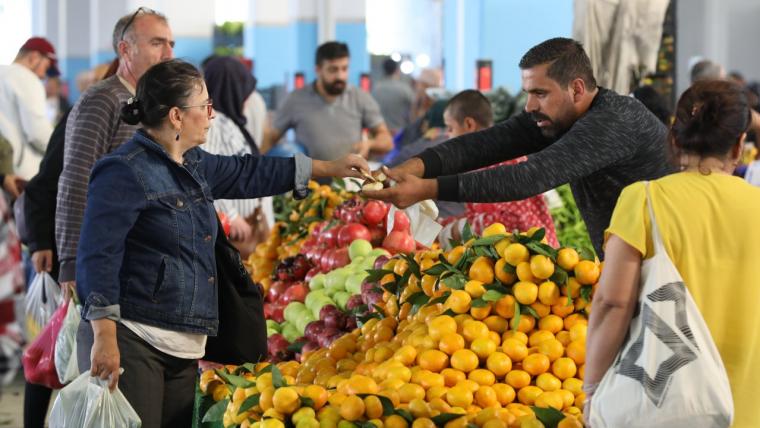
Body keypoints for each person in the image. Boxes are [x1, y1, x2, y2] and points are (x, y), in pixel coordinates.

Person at [76, 59, 366, 426]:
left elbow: (249, 172)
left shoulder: (192, 161)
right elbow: (97, 255)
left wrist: (330, 168)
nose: (212, 115)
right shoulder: (124, 170)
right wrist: (104, 335)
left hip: (184, 340)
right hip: (138, 338)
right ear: (177, 117)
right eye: (205, 107)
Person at [364, 38, 673, 256]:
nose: (529, 105)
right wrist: (412, 168)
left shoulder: (612, 121)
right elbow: (487, 143)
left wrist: (426, 188)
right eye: (527, 92)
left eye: (539, 93)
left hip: (666, 261)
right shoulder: (559, 116)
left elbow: (529, 177)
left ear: (576, 89)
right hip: (630, 259)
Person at [584, 80, 760, 427]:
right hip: (749, 404)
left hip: (666, 404)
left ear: (674, 136)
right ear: (740, 144)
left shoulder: (645, 200)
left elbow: (612, 302)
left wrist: (592, 388)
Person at [56, 7, 174, 296]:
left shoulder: (145, 101)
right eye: (157, 43)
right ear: (126, 49)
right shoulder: (103, 99)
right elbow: (75, 178)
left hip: (140, 256)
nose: (168, 54)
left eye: (171, 44)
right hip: (104, 257)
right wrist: (71, 261)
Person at [438, 90, 558, 247]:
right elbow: (481, 215)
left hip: (535, 262)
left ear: (469, 124)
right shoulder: (479, 162)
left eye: (450, 128)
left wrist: (456, 229)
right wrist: (441, 224)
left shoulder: (500, 160)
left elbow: (512, 219)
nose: (447, 135)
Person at [269, 41, 392, 160]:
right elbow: (270, 137)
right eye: (333, 70)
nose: (340, 76)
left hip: (348, 178)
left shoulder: (360, 97)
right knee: (288, 150)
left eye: (344, 69)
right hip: (309, 179)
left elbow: (387, 141)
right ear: (318, 70)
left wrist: (370, 144)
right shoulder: (295, 99)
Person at [202, 56, 270, 257]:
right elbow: (206, 173)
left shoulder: (229, 122)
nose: (247, 100)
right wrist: (231, 216)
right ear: (231, 89)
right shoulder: (214, 124)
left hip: (247, 224)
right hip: (235, 230)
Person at [0, 37, 56, 180]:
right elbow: (37, 133)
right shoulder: (27, 78)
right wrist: (63, 149)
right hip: (20, 174)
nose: (44, 75)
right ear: (34, 57)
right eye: (46, 67)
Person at [372, 58, 414, 134]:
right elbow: (414, 109)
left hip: (381, 133)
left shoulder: (375, 89)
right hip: (400, 133)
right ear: (397, 70)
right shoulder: (404, 89)